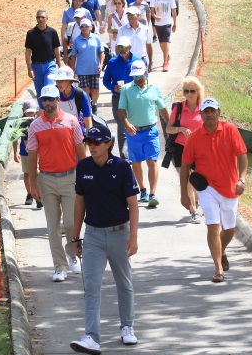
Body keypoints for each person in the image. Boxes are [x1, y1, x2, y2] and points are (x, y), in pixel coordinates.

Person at [70, 125, 140, 354]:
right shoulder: (83, 167)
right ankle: (91, 336)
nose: (92, 146)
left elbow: (133, 204)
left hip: (120, 233)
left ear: (108, 144)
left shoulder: (121, 167)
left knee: (124, 283)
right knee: (91, 285)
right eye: (89, 142)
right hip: (93, 235)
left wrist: (133, 237)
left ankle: (127, 327)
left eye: (97, 142)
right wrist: (75, 236)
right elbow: (79, 202)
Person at [180, 98, 248, 283]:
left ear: (219, 112)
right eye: (206, 111)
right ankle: (218, 268)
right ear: (201, 114)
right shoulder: (194, 137)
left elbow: (242, 157)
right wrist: (184, 194)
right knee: (213, 225)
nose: (209, 115)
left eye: (212, 111)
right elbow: (185, 167)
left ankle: (221, 251)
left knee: (229, 229)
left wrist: (242, 179)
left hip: (230, 186)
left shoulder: (230, 130)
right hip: (206, 187)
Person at [26, 85, 87, 282]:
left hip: (70, 178)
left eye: (51, 99)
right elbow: (32, 157)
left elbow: (81, 153)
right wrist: (34, 185)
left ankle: (72, 254)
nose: (47, 103)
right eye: (44, 100)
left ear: (57, 100)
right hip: (47, 180)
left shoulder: (71, 122)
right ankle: (59, 267)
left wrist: (86, 178)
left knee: (70, 223)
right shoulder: (35, 126)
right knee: (52, 227)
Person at [118, 60, 169, 207]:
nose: (137, 78)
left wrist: (170, 126)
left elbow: (162, 109)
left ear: (146, 72)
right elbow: (121, 110)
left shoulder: (155, 88)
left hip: (151, 131)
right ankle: (143, 190)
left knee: (151, 161)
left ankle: (153, 193)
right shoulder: (126, 89)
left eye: (139, 75)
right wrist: (127, 125)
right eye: (134, 76)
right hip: (133, 133)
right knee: (136, 162)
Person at [165, 77, 206, 224]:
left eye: (192, 91)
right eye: (186, 91)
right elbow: (168, 128)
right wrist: (181, 129)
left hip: (200, 148)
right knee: (187, 178)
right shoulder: (179, 108)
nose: (189, 94)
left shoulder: (204, 108)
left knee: (199, 178)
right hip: (181, 148)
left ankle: (195, 199)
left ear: (198, 92)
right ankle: (193, 211)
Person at [102, 36, 140, 160]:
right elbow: (105, 80)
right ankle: (125, 158)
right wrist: (113, 87)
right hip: (118, 99)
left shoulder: (137, 62)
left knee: (134, 125)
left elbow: (146, 78)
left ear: (130, 47)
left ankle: (134, 153)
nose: (122, 49)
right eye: (120, 47)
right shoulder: (112, 62)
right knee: (123, 126)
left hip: (134, 99)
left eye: (124, 47)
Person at [25, 9, 61, 107]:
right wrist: (29, 69)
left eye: (42, 17)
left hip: (50, 65)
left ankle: (52, 111)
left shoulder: (52, 32)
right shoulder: (31, 34)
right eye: (38, 17)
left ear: (47, 19)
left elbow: (56, 50)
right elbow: (28, 52)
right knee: (40, 93)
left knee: (48, 89)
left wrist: (60, 65)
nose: (40, 19)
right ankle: (43, 114)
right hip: (36, 66)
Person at [69, 19, 105, 114]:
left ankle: (94, 104)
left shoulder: (96, 38)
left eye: (86, 26)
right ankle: (88, 108)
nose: (84, 28)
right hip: (82, 70)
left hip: (94, 68)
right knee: (85, 90)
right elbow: (73, 55)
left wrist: (101, 64)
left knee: (95, 90)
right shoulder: (77, 40)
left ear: (91, 27)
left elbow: (101, 52)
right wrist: (72, 69)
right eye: (82, 26)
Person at [13, 99, 43, 209]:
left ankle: (39, 194)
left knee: (37, 171)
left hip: (37, 150)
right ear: (23, 111)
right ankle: (30, 193)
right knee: (27, 172)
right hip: (25, 151)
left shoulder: (38, 119)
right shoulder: (20, 122)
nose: (30, 114)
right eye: (28, 112)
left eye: (32, 112)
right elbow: (14, 137)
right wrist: (15, 151)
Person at [50, 65, 93, 136]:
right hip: (56, 132)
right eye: (57, 80)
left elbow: (88, 120)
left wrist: (88, 142)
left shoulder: (81, 94)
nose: (58, 83)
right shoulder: (51, 93)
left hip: (76, 132)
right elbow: (41, 114)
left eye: (61, 81)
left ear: (70, 82)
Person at [149, 0, 177, 72]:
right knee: (161, 43)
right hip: (158, 23)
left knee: (166, 42)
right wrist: (155, 16)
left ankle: (165, 63)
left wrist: (175, 24)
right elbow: (152, 11)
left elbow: (173, 11)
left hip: (167, 23)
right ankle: (167, 55)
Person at [117, 6, 153, 73]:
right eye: (128, 15)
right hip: (126, 60)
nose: (129, 17)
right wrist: (118, 62)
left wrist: (151, 61)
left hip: (141, 60)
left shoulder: (145, 29)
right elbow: (118, 47)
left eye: (132, 15)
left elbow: (149, 45)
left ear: (138, 15)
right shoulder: (122, 30)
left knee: (143, 82)